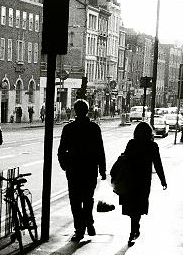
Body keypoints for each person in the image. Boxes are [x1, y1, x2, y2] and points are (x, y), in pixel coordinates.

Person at [57, 100, 107, 242]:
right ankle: (89, 223)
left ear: (75, 111)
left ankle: (79, 230)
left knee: (75, 201)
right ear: (87, 110)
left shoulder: (69, 128)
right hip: (90, 169)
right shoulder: (94, 128)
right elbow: (100, 150)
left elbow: (61, 150)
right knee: (88, 199)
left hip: (74, 170)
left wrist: (65, 165)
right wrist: (102, 169)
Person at [118, 121, 167, 246]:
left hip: (131, 179)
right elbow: (158, 164)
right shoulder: (152, 146)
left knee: (131, 206)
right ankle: (135, 229)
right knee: (139, 205)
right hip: (144, 180)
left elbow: (125, 159)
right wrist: (163, 180)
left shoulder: (132, 143)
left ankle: (134, 229)